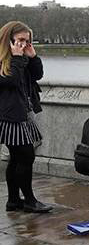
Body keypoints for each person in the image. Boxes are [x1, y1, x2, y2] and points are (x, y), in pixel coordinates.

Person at [0, 21, 52, 213]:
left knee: (16, 158)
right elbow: (10, 81)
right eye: (20, 40)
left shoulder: (22, 57)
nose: (24, 44)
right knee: (26, 156)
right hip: (9, 116)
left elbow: (37, 75)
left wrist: (33, 56)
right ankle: (29, 200)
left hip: (23, 112)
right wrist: (17, 58)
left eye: (27, 41)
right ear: (9, 39)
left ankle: (13, 201)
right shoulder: (7, 59)